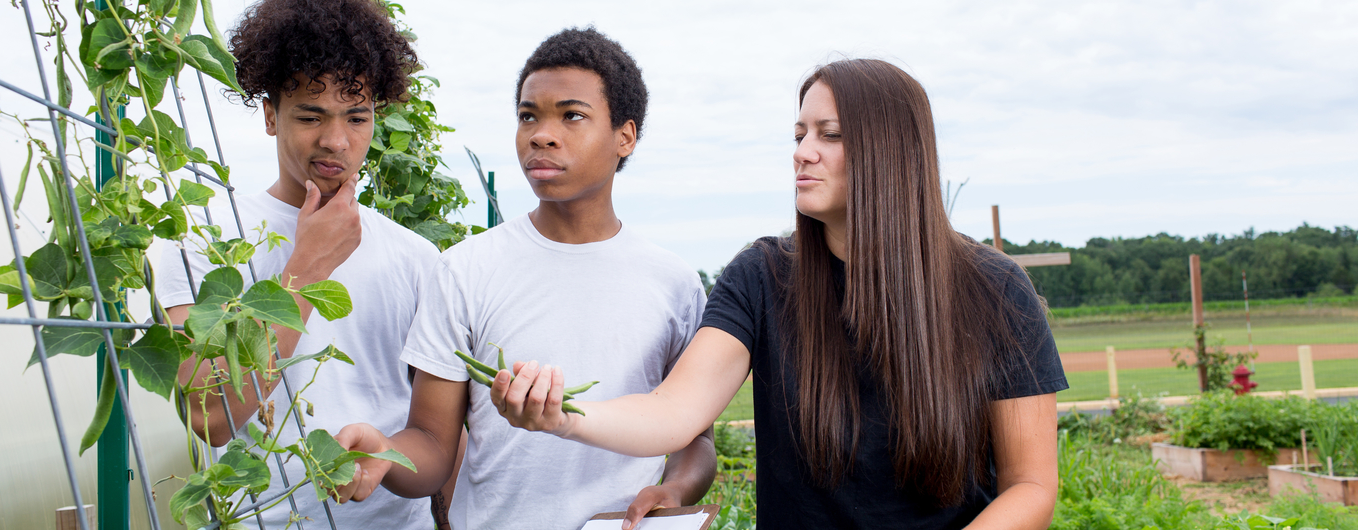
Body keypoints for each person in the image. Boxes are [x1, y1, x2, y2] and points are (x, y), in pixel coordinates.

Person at [485, 58, 1069, 529]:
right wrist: (563, 416)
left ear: (893, 152)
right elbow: (671, 413)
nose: (802, 151)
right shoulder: (762, 277)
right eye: (799, 133)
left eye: (830, 135)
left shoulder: (995, 290)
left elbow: (1032, 486)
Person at [329, 27, 717, 530]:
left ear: (626, 135)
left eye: (571, 115)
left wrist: (675, 488)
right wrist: (386, 453)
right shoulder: (465, 269)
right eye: (528, 116)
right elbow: (431, 446)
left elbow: (695, 439)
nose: (541, 134)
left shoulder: (675, 283)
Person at [156, 0, 440, 526]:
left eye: (357, 117)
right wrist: (307, 265)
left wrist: (386, 456)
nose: (336, 140)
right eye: (311, 116)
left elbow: (438, 440)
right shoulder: (203, 239)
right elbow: (209, 415)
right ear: (270, 115)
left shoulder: (417, 258)